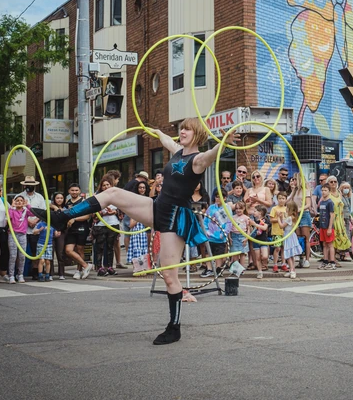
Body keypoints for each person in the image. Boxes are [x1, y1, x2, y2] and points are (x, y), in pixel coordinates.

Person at [34, 119, 240, 345]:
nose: (182, 131)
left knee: (170, 277)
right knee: (112, 192)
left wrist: (224, 142)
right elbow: (165, 140)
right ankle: (63, 217)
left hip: (175, 217)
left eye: (187, 128)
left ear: (198, 134)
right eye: (181, 128)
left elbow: (212, 153)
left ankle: (174, 327)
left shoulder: (198, 160)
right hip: (157, 206)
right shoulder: (178, 152)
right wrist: (156, 130)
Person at [61, 184, 94, 280]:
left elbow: (88, 216)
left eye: (76, 190)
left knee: (80, 249)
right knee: (68, 250)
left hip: (82, 228)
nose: (74, 192)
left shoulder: (83, 201)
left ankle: (78, 270)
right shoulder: (68, 202)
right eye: (72, 190)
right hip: (70, 229)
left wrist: (75, 219)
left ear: (79, 191)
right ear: (69, 191)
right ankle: (86, 265)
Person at [93, 176, 119, 276]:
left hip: (113, 223)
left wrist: (114, 212)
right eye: (104, 185)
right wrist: (102, 213)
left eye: (108, 185)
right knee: (100, 246)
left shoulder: (116, 196)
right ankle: (100, 267)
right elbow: (93, 211)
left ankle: (109, 266)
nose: (106, 187)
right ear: (101, 186)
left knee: (110, 246)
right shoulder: (97, 196)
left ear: (111, 185)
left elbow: (121, 208)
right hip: (101, 224)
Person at [121, 171, 150, 259]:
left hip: (128, 210)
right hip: (134, 213)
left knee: (128, 234)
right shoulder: (135, 184)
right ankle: (136, 257)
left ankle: (130, 254)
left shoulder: (130, 183)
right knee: (133, 234)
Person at [201, 190, 230, 277]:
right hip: (210, 235)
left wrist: (224, 233)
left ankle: (218, 269)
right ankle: (209, 269)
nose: (218, 199)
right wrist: (206, 231)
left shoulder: (227, 208)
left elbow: (229, 222)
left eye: (220, 197)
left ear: (224, 198)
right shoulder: (211, 208)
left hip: (220, 236)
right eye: (217, 197)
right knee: (208, 253)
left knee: (219, 254)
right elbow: (205, 220)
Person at [6, 195, 32, 284]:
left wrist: (28, 205)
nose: (19, 202)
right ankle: (11, 275)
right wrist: (12, 207)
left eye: (21, 200)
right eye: (17, 200)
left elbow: (33, 213)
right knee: (13, 256)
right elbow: (8, 218)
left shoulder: (25, 211)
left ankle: (20, 274)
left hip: (22, 235)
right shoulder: (12, 210)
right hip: (13, 234)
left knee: (22, 256)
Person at [289, 173, 312, 268]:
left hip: (304, 214)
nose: (293, 181)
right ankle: (300, 258)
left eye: (295, 179)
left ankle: (307, 259)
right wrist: (293, 190)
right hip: (296, 215)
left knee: (306, 237)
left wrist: (299, 209)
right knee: (298, 237)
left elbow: (308, 204)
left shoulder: (305, 191)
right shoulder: (294, 191)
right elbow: (288, 201)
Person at [280, 201, 303, 279]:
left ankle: (292, 270)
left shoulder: (290, 218)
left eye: (287, 208)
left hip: (289, 235)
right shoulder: (292, 217)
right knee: (291, 254)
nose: (286, 209)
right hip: (291, 235)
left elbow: (281, 226)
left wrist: (278, 218)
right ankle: (292, 270)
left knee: (289, 255)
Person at [49, 192, 68, 280]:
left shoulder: (66, 209)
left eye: (61, 198)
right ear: (54, 199)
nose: (59, 199)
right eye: (57, 198)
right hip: (51, 232)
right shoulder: (50, 209)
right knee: (50, 253)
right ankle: (50, 273)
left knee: (60, 253)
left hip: (62, 232)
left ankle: (61, 273)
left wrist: (60, 230)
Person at [317, 185, 337, 270]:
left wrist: (330, 227)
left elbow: (332, 215)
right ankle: (325, 261)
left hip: (328, 227)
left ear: (329, 191)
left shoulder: (330, 202)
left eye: (325, 190)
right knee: (324, 244)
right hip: (322, 226)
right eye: (322, 190)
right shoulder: (321, 202)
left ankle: (332, 262)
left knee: (330, 244)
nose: (323, 192)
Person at [269, 191, 288, 273]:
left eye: (283, 198)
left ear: (286, 199)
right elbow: (271, 220)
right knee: (277, 248)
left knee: (284, 248)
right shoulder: (274, 209)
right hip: (276, 231)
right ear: (277, 199)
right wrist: (279, 218)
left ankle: (284, 264)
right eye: (280, 198)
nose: (281, 200)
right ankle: (275, 264)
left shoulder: (287, 209)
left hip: (285, 232)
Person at [250, 205, 270, 278]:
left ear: (260, 213)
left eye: (255, 211)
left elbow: (264, 228)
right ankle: (260, 271)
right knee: (257, 257)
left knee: (264, 256)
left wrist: (255, 225)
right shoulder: (253, 220)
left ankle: (264, 263)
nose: (253, 212)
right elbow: (252, 232)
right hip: (256, 240)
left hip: (263, 240)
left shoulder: (265, 220)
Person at [229, 201, 250, 268]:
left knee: (242, 253)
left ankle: (242, 268)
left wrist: (246, 238)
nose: (238, 210)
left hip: (242, 236)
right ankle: (236, 268)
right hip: (234, 235)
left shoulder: (246, 218)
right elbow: (229, 228)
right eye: (237, 209)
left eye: (240, 208)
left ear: (244, 208)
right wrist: (229, 237)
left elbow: (248, 229)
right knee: (235, 253)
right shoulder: (232, 217)